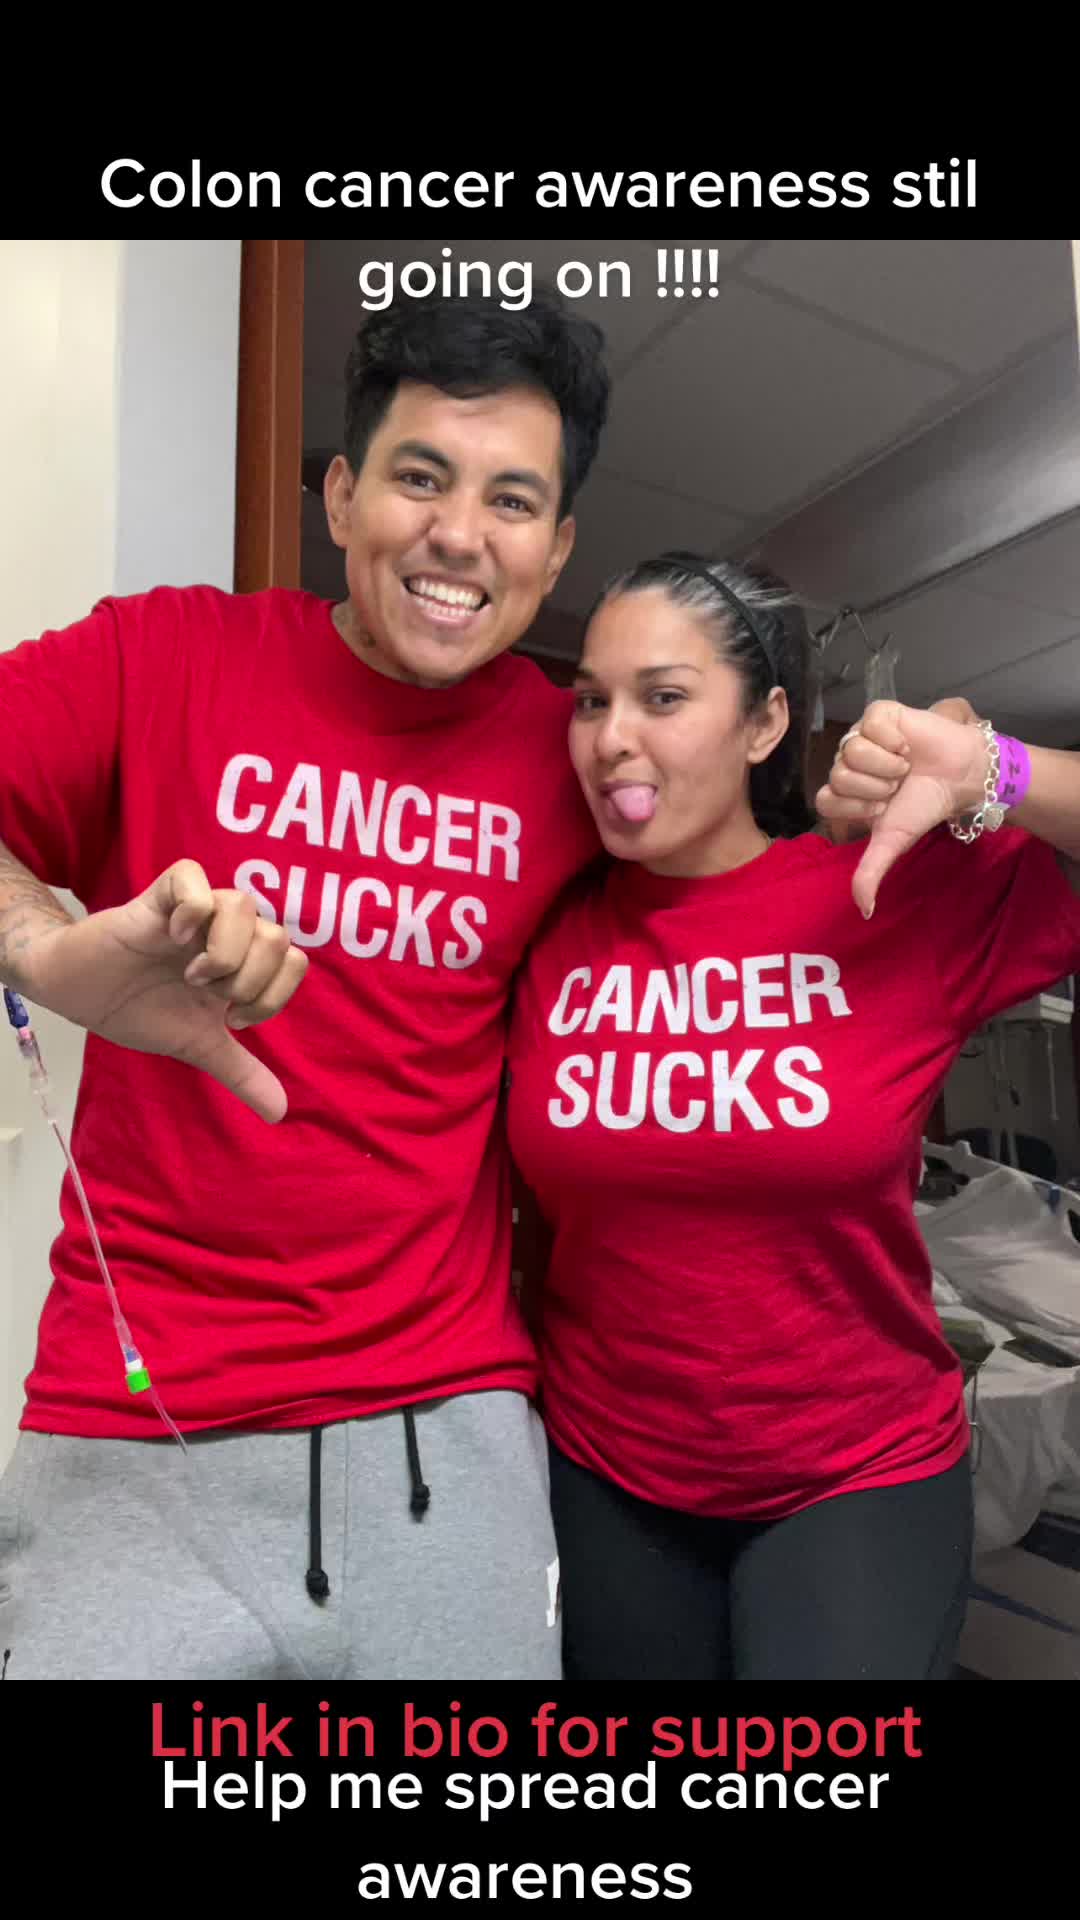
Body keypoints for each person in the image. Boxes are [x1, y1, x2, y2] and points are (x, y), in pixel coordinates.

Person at [0, 288, 611, 1680]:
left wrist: (972, 778)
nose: (461, 534)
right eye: (419, 477)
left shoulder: (578, 757)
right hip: (131, 1423)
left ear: (558, 547)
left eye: (513, 500)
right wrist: (42, 949)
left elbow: (753, 900)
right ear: (340, 498)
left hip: (448, 1435)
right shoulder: (164, 655)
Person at [504, 549, 1080, 1680]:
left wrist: (993, 767)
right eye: (591, 701)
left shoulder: (885, 892)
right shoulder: (544, 926)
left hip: (856, 1477)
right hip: (608, 1472)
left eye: (663, 697)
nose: (612, 737)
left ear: (765, 723)